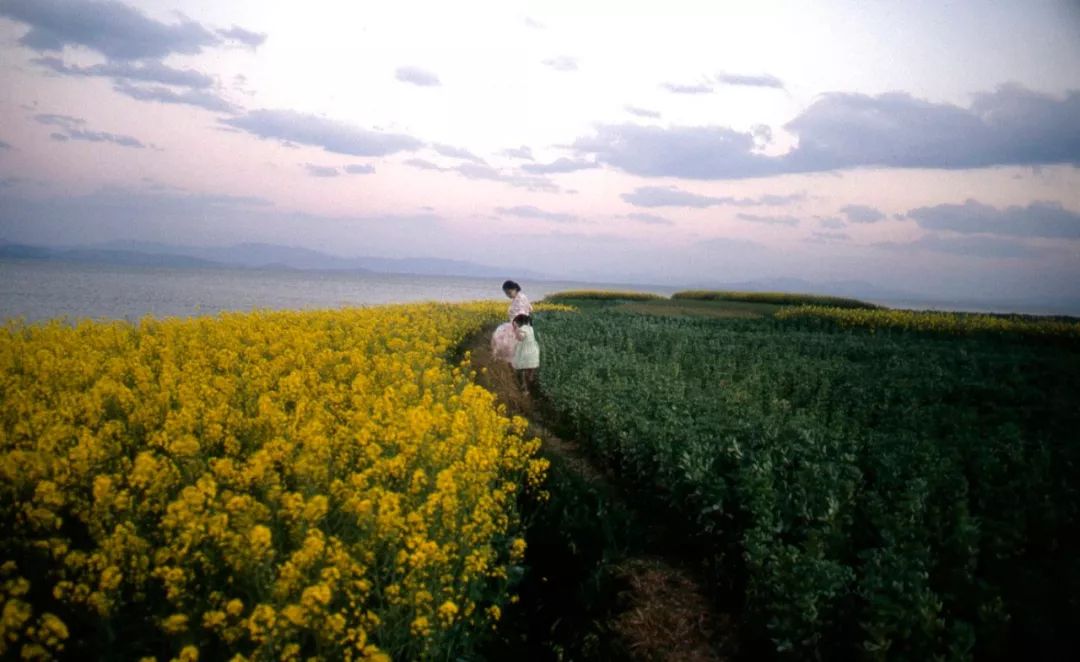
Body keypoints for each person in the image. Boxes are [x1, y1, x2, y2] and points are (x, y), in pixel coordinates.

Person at [491, 280, 532, 362]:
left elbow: (521, 315)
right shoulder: (520, 297)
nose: (508, 295)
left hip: (517, 326)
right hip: (519, 325)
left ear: (515, 289)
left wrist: (517, 330)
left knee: (504, 344)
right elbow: (530, 309)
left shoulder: (519, 299)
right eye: (506, 293)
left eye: (509, 292)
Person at [511, 314, 540, 392]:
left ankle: (525, 389)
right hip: (533, 351)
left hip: (525, 353)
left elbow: (520, 338)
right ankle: (530, 377)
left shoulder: (522, 329)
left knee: (521, 370)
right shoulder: (531, 328)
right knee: (531, 366)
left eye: (515, 324)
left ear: (519, 323)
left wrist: (516, 330)